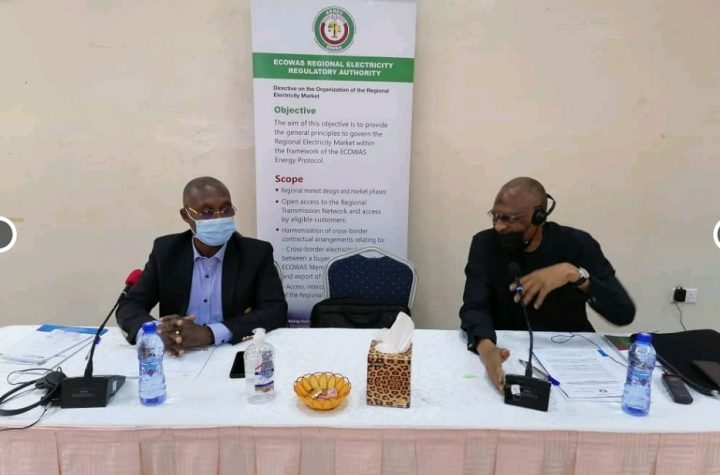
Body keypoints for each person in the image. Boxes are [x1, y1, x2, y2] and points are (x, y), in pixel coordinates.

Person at [459, 177, 635, 390]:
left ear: (539, 216)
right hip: (510, 353)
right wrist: (487, 350)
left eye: (509, 218)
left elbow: (623, 312)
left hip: (572, 356)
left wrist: (574, 275)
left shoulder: (577, 244)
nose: (499, 226)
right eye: (495, 216)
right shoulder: (485, 244)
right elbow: (474, 306)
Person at [116, 177, 287, 355]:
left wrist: (210, 333)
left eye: (226, 209)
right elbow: (130, 305)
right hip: (177, 355)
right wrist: (158, 333)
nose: (219, 217)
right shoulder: (166, 251)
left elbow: (275, 310)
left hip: (231, 351)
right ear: (185, 215)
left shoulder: (255, 253)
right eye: (207, 212)